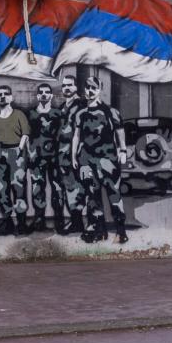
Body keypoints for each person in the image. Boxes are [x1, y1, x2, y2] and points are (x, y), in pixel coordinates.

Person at [72, 76, 129, 244]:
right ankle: (99, 231)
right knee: (92, 196)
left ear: (99, 89)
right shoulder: (80, 113)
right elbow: (76, 136)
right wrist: (73, 155)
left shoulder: (110, 112)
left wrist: (123, 150)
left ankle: (121, 231)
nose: (89, 91)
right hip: (86, 160)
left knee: (114, 195)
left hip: (108, 160)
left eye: (93, 88)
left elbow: (120, 132)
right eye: (87, 87)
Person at [0, 85, 31, 235]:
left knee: (18, 188)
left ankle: (21, 223)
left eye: (6, 94)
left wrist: (19, 149)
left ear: (11, 97)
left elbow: (25, 134)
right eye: (0, 94)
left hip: (16, 153)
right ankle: (7, 222)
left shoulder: (19, 114)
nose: (3, 96)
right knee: (2, 189)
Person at [27, 83, 65, 232]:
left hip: (55, 157)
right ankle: (39, 220)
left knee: (57, 188)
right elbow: (27, 136)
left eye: (46, 92)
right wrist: (29, 154)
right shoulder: (30, 114)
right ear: (37, 96)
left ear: (50, 95)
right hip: (37, 157)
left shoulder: (58, 114)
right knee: (37, 189)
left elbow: (63, 135)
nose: (43, 94)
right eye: (41, 92)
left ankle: (59, 221)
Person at [54, 74, 87, 235]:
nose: (66, 88)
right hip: (62, 153)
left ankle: (78, 222)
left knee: (76, 188)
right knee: (69, 187)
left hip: (76, 154)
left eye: (70, 85)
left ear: (76, 87)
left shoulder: (82, 105)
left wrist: (79, 152)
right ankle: (75, 221)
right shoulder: (62, 107)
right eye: (64, 86)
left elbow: (84, 131)